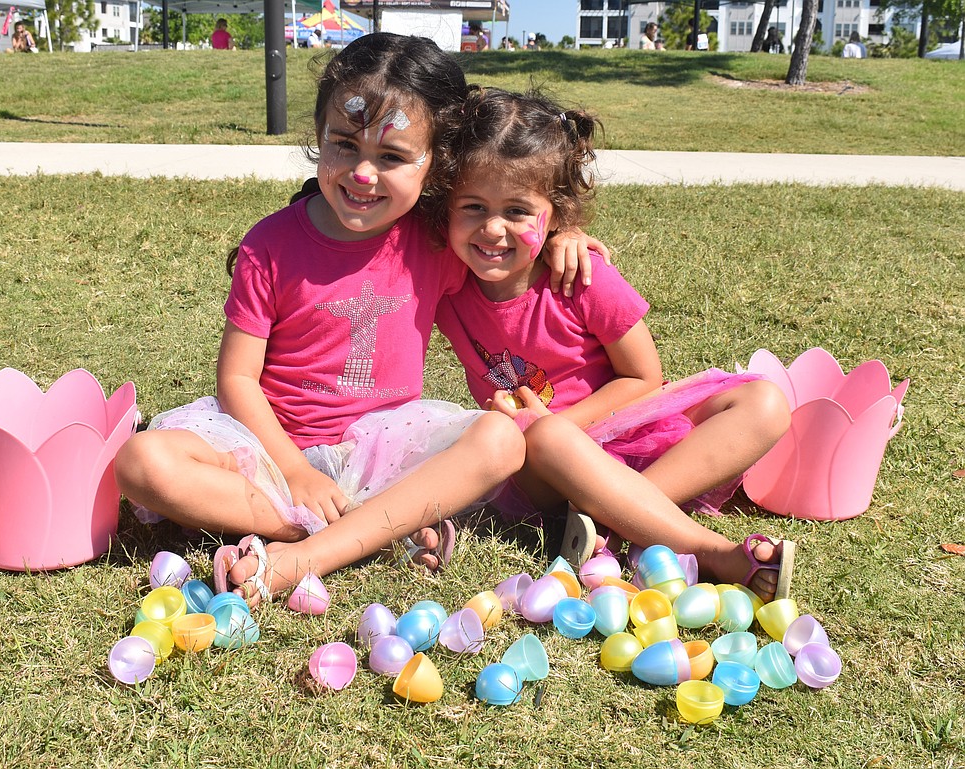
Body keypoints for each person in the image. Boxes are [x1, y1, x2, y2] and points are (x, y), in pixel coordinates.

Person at [114, 33, 535, 608]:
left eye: (391, 157)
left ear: (436, 162)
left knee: (500, 440)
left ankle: (309, 551)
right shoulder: (271, 245)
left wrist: (565, 239)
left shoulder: (438, 239)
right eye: (344, 144)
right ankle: (367, 531)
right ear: (317, 139)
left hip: (386, 451)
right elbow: (237, 379)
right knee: (143, 462)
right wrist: (295, 471)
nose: (363, 174)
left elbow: (510, 228)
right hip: (267, 453)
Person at [431, 87, 797, 600]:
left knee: (765, 401)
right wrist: (546, 429)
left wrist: (563, 422)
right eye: (472, 206)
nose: (493, 229)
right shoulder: (445, 282)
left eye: (518, 210)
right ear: (445, 205)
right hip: (537, 464)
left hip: (627, 437)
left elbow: (644, 378)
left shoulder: (580, 277)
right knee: (548, 438)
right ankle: (711, 551)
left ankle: (615, 524)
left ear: (556, 215)